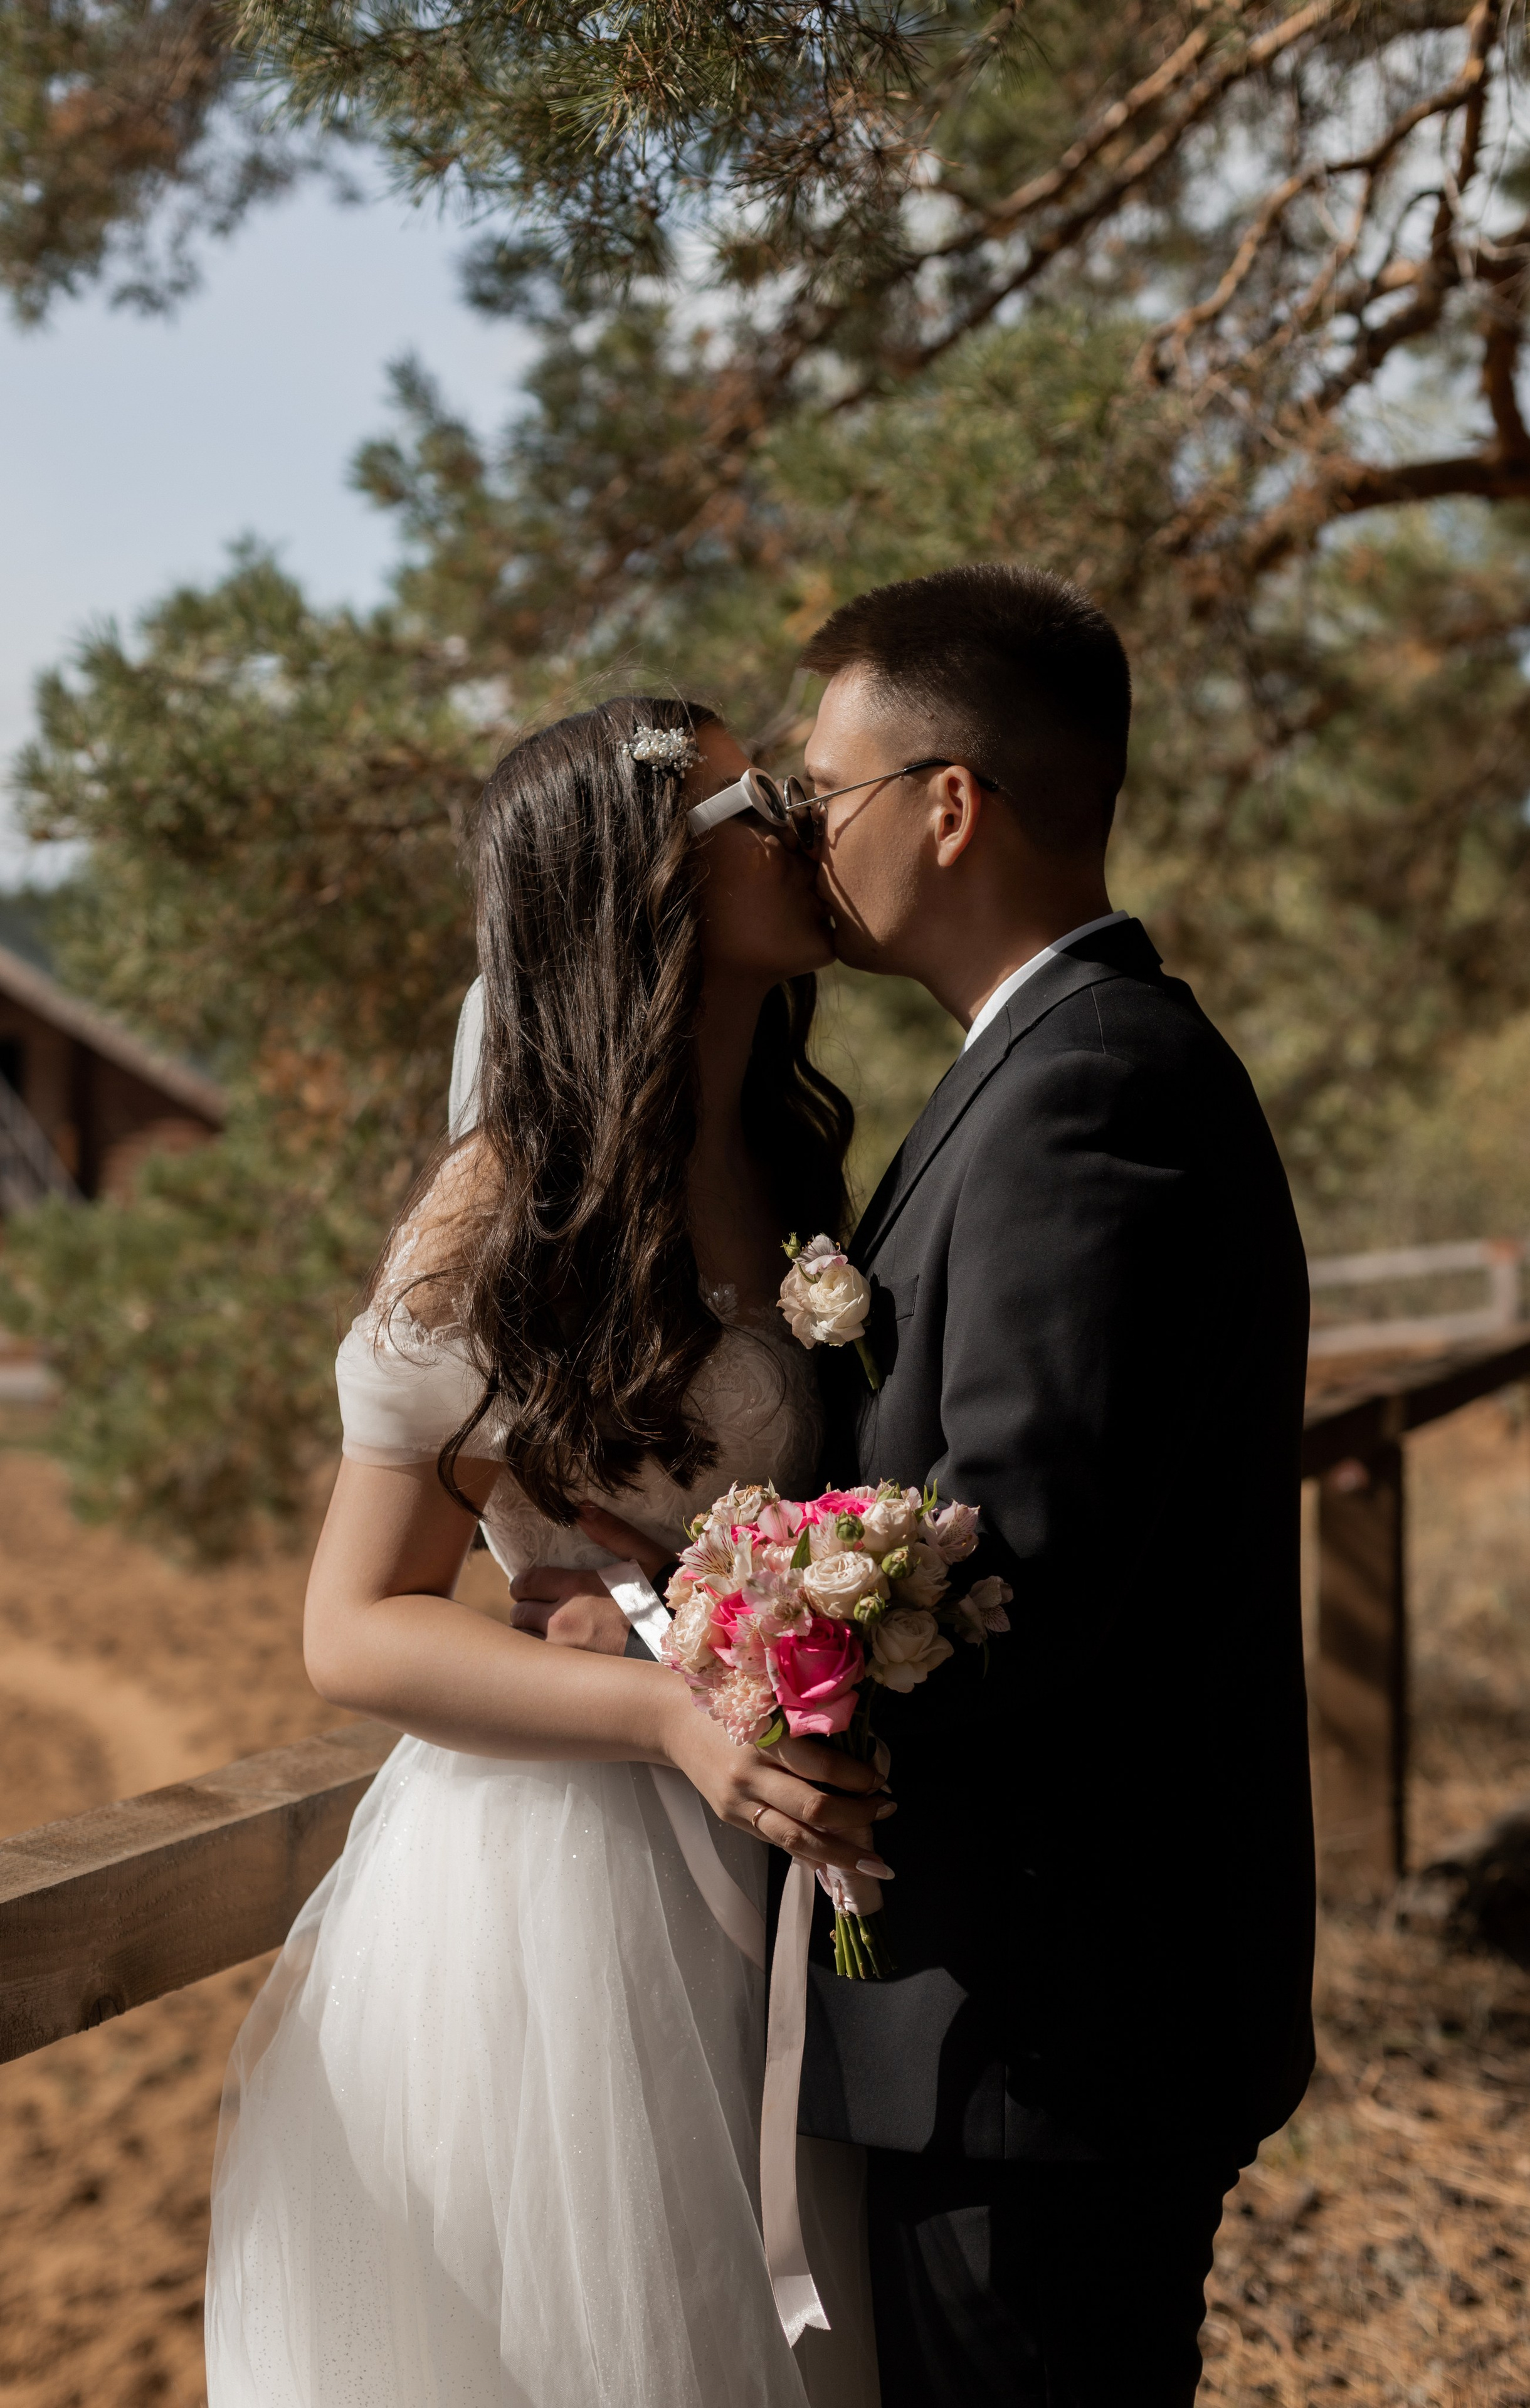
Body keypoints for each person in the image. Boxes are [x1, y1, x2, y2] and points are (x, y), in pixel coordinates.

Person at [530, 566, 1316, 2405]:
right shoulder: (1047, 1070)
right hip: (1033, 2018)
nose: (804, 832)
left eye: (826, 792)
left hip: (1047, 2026)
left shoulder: (1084, 1093)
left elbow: (1009, 1577)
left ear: (946, 805)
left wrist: (679, 1636)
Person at [203, 696, 889, 2408]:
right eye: (759, 795)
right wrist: (666, 1715)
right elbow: (354, 1630)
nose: (805, 815)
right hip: (567, 1900)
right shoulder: (505, 1212)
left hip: (780, 1853)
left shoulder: (789, 1151)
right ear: (641, 869)